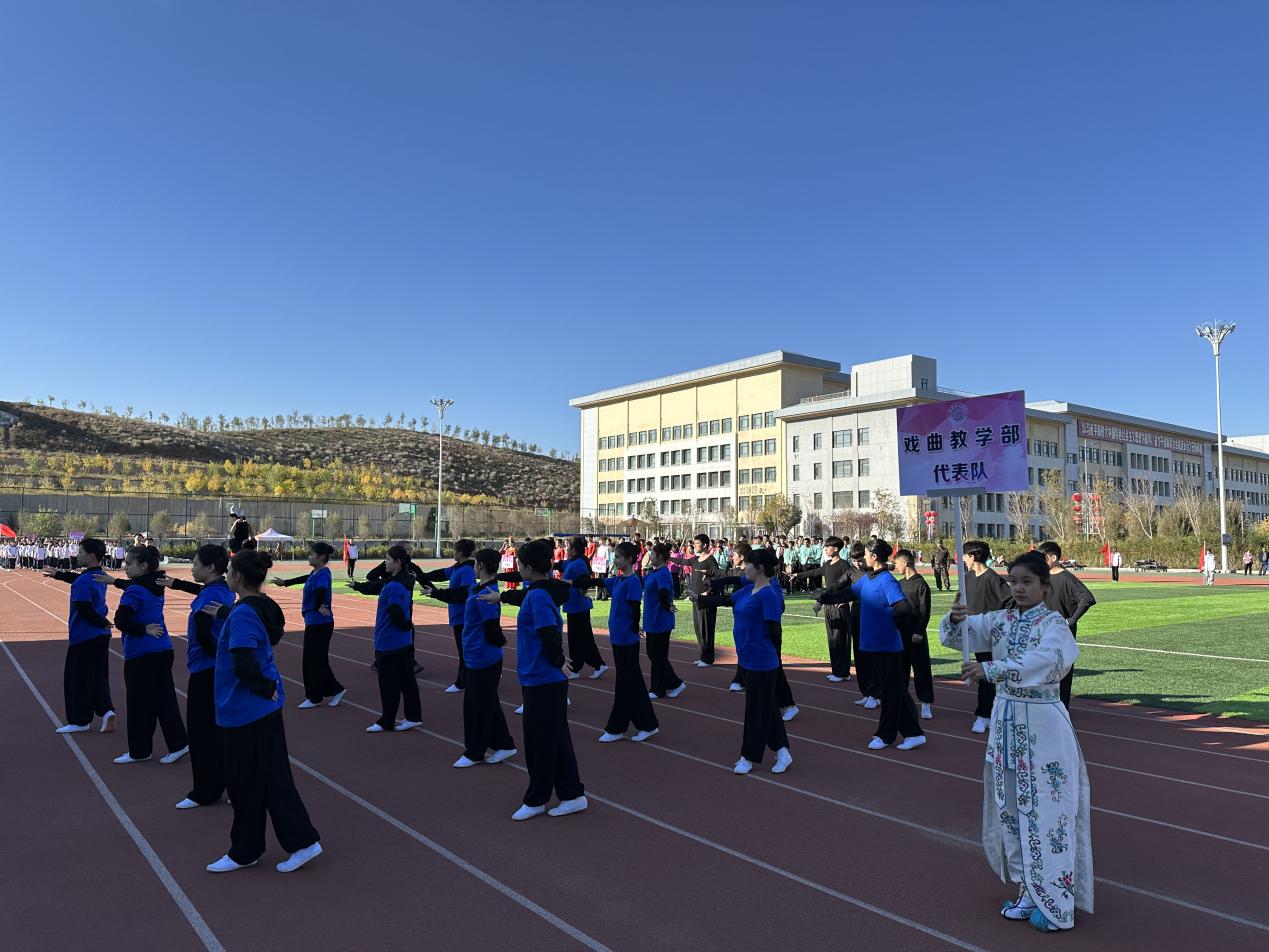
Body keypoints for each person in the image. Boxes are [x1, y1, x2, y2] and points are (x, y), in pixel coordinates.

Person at [939, 551, 1093, 932]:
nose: (1019, 588)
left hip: (1043, 727)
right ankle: (1028, 891)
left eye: (1027, 582)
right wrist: (955, 618)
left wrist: (992, 669)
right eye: (1014, 581)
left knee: (1049, 812)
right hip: (1006, 724)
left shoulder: (1054, 625)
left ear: (1044, 586)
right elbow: (958, 635)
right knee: (1010, 807)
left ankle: (1056, 903)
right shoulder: (1002, 620)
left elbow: (1049, 662)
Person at [202, 549, 322, 874]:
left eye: (229, 570)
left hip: (247, 710)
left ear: (237, 577)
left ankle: (271, 846)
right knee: (261, 779)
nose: (226, 575)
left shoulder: (243, 613)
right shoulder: (261, 606)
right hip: (256, 709)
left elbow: (243, 661)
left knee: (251, 782)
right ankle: (260, 846)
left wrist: (263, 686)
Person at [480, 539, 586, 820]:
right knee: (556, 738)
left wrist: (558, 660)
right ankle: (573, 794)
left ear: (528, 568)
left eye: (519, 565)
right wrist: (501, 598)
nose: (517, 568)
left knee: (539, 742)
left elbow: (548, 632)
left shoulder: (538, 596)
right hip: (542, 679)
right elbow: (525, 598)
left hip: (543, 680)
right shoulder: (541, 590)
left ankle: (537, 799)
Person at [820, 539, 924, 750]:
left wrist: (886, 622)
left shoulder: (887, 581)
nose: (864, 557)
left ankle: (885, 735)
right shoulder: (867, 579)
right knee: (895, 691)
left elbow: (903, 609)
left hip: (886, 646)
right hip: (872, 645)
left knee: (890, 693)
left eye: (866, 554)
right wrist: (824, 597)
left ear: (874, 557)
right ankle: (914, 733)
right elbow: (848, 593)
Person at [420, 548, 517, 768]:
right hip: (476, 656)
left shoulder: (486, 594)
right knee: (487, 702)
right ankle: (504, 743)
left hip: (484, 658)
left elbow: (492, 629)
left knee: (477, 707)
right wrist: (434, 592)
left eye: (475, 563)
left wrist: (499, 642)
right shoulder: (478, 588)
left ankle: (475, 752)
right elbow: (458, 594)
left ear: (480, 566)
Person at [704, 547, 793, 775]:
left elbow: (775, 631)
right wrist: (701, 599)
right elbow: (726, 600)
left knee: (755, 711)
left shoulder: (768, 595)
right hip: (747, 659)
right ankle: (783, 751)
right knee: (767, 707)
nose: (745, 568)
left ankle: (749, 756)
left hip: (762, 663)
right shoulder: (748, 590)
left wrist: (771, 657)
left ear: (759, 568)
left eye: (748, 565)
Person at [157, 544, 233, 809]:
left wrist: (217, 658)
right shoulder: (222, 590)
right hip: (216, 669)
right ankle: (228, 784)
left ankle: (205, 791)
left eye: (196, 563)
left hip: (206, 671)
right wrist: (176, 583)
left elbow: (203, 635)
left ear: (210, 567)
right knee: (219, 730)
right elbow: (200, 592)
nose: (192, 568)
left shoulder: (210, 596)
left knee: (202, 733)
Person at [108, 545, 189, 765]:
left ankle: (139, 750)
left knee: (138, 703)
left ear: (143, 565)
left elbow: (121, 620)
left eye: (129, 563)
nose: (124, 567)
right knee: (164, 699)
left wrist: (142, 629)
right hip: (163, 648)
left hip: (142, 653)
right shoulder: (156, 583)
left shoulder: (135, 590)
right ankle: (178, 743)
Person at [45, 537, 116, 735]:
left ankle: (79, 720)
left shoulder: (83, 582)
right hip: (101, 636)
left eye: (81, 552)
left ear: (91, 556)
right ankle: (107, 711)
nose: (77, 555)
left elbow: (83, 607)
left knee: (76, 679)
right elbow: (80, 579)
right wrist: (59, 574)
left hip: (84, 636)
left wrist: (102, 621)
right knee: (97, 676)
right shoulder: (99, 575)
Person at [351, 546, 422, 732]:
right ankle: (413, 716)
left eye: (388, 559)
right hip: (403, 641)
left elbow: (394, 609)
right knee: (407, 681)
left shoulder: (393, 586)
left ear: (398, 562)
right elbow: (376, 585)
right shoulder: (402, 581)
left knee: (389, 684)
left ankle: (387, 721)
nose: (385, 562)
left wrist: (404, 624)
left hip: (390, 641)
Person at [271, 542, 347, 709]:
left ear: (321, 557)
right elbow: (305, 578)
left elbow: (320, 592)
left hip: (321, 624)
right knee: (314, 660)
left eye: (312, 554)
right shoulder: (316, 572)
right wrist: (285, 582)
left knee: (314, 660)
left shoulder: (323, 575)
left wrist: (316, 606)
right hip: (314, 622)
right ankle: (323, 693)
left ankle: (322, 694)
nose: (309, 556)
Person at [598, 542, 660, 743]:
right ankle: (648, 724)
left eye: (618, 557)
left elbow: (635, 608)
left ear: (630, 559)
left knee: (625, 683)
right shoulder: (618, 580)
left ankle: (617, 727)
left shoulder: (632, 582)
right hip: (618, 638)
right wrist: (571, 582)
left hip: (626, 640)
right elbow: (598, 582)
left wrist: (634, 627)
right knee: (633, 682)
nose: (615, 560)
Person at [961, 540, 1014, 734]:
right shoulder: (967, 577)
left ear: (972, 556)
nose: (963, 559)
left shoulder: (992, 578)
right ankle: (990, 714)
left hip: (993, 636)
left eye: (964, 555)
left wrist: (999, 623)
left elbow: (1011, 602)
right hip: (975, 635)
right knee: (985, 674)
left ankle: (984, 715)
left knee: (988, 674)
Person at [1037, 542, 1097, 710]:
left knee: (1062, 669)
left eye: (1044, 558)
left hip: (1061, 630)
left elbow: (1087, 598)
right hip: (1042, 628)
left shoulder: (1066, 578)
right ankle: (1045, 703)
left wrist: (1071, 620)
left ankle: (1061, 707)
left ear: (1053, 557)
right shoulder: (1042, 577)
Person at [788, 536, 855, 683]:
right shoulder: (827, 564)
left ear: (836, 549)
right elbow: (815, 572)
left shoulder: (844, 565)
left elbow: (853, 585)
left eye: (828, 547)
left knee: (840, 639)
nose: (825, 549)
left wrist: (845, 600)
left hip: (840, 606)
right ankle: (837, 671)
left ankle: (843, 672)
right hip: (828, 604)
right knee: (832, 639)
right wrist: (797, 575)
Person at [415, 539, 477, 693]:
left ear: (460, 553)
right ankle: (473, 678)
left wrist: (436, 593)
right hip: (457, 615)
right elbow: (441, 574)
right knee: (464, 650)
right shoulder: (457, 567)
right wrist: (420, 576)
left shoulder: (466, 570)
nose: (453, 553)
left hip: (463, 616)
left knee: (464, 651)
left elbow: (464, 592)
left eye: (454, 550)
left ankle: (462, 682)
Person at [557, 536, 608, 679]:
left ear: (573, 549)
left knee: (577, 639)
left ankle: (576, 669)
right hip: (573, 606)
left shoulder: (579, 563)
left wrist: (581, 592)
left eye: (567, 546)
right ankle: (598, 664)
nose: (566, 548)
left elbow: (585, 580)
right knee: (583, 638)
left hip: (579, 607)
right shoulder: (570, 561)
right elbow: (558, 565)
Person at [668, 534, 721, 667]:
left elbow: (717, 576)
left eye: (697, 543)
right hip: (696, 599)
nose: (694, 546)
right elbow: (684, 562)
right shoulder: (696, 559)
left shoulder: (710, 559)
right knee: (698, 629)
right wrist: (668, 558)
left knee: (706, 629)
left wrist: (708, 591)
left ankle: (708, 659)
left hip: (706, 600)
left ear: (704, 545)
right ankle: (703, 656)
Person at [893, 548, 934, 720]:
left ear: (905, 562)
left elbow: (925, 611)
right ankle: (901, 701)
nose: (896, 566)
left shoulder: (921, 584)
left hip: (916, 636)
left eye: (897, 563)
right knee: (900, 669)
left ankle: (926, 703)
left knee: (921, 669)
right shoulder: (899, 584)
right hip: (899, 634)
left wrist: (919, 631)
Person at [643, 543, 685, 700]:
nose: (650, 556)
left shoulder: (663, 574)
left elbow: (663, 592)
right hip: (652, 619)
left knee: (658, 656)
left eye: (653, 554)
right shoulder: (653, 572)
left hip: (660, 620)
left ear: (660, 556)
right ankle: (675, 683)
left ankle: (658, 689)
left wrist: (668, 606)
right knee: (653, 654)